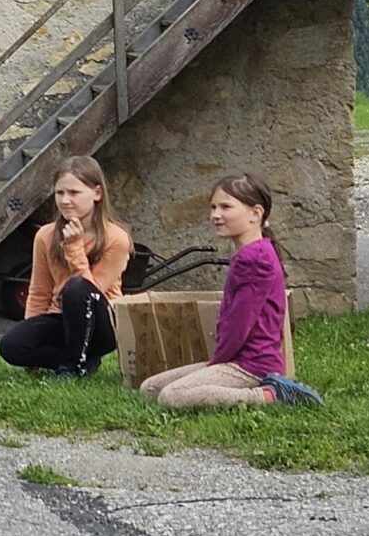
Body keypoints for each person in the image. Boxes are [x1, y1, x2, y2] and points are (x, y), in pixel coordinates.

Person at [137, 173, 325, 409]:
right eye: (213, 207)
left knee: (171, 396)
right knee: (150, 388)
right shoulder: (251, 253)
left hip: (252, 366)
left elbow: (239, 324)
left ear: (255, 214)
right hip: (236, 360)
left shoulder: (256, 259)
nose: (216, 215)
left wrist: (217, 363)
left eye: (226, 207)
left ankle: (271, 394)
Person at [0, 155, 133, 377]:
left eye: (74, 193)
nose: (65, 200)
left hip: (102, 322)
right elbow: (39, 291)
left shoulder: (117, 238)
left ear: (97, 194)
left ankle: (71, 369)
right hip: (60, 317)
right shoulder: (46, 235)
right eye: (60, 193)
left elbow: (92, 291)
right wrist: (32, 331)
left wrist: (74, 249)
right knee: (11, 346)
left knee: (76, 286)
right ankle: (81, 360)